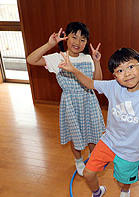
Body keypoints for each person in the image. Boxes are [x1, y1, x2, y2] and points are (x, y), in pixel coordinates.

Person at [58, 48, 139, 197]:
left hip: (130, 150)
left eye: (131, 67)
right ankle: (97, 192)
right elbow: (89, 83)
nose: (127, 73)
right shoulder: (113, 86)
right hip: (109, 142)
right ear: (114, 76)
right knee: (88, 173)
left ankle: (125, 191)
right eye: (120, 70)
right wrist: (73, 69)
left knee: (123, 182)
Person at [26, 22, 105, 176]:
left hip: (89, 100)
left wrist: (97, 61)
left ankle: (92, 157)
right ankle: (78, 161)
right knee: (76, 135)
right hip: (71, 103)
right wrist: (50, 44)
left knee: (93, 134)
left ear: (86, 43)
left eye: (82, 39)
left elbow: (98, 83)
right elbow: (31, 60)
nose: (77, 42)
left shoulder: (88, 58)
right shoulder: (57, 58)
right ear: (66, 38)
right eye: (74, 37)